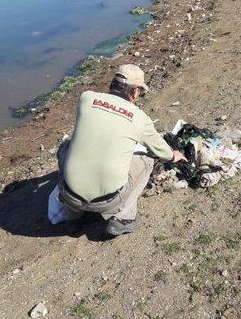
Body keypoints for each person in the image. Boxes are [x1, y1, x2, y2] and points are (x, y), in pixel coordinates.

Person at [57, 64, 186, 237]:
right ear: (134, 92)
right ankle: (123, 218)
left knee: (65, 147)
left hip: (69, 194)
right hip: (108, 202)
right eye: (139, 92)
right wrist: (173, 156)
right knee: (149, 159)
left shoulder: (86, 98)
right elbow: (161, 150)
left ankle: (73, 217)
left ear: (113, 85)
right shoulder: (139, 118)